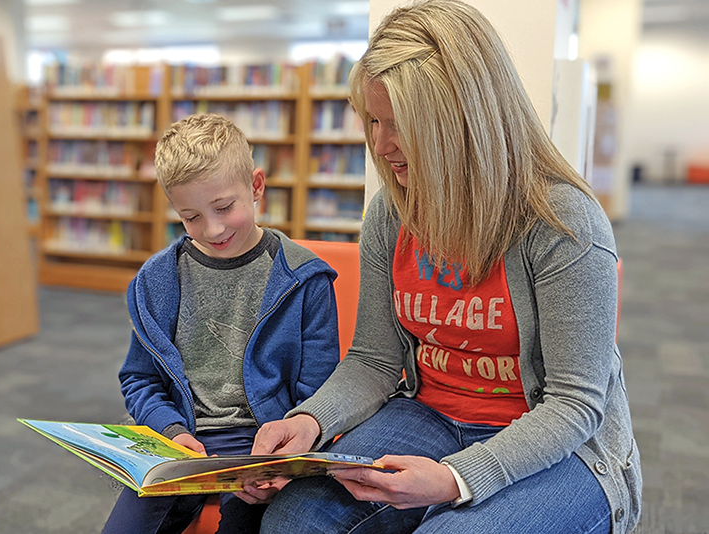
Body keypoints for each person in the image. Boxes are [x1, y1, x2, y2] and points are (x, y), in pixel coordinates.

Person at [243, 1, 643, 533]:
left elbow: (575, 404)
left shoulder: (563, 220)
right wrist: (309, 422)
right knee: (293, 521)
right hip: (430, 415)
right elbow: (373, 360)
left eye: (400, 124)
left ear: (462, 118)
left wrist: (456, 478)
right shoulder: (391, 211)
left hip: (560, 443)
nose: (382, 147)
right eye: (375, 120)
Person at [102, 113, 341, 534]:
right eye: (191, 217)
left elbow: (317, 393)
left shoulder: (305, 279)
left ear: (256, 187)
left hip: (260, 442)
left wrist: (281, 458)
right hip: (178, 440)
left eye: (224, 208)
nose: (211, 229)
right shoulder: (157, 281)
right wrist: (170, 430)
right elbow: (139, 379)